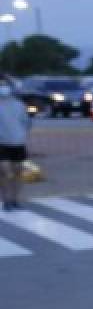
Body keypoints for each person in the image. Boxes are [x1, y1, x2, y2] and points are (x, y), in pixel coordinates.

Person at [0, 77, 31, 210]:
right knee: (5, 172)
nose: (3, 88)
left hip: (18, 143)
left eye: (5, 85)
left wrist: (22, 135)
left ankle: (15, 199)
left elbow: (27, 123)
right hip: (2, 143)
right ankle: (6, 200)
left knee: (18, 173)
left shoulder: (19, 105)